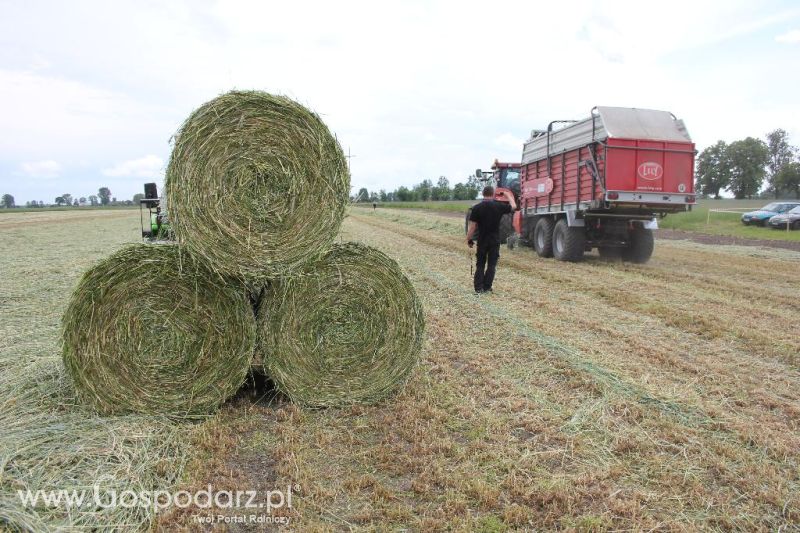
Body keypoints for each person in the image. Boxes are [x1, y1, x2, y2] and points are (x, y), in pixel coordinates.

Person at [465, 186, 517, 294]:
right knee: (492, 265)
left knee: (480, 264)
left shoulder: (476, 208)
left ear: (483, 194)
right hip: (495, 240)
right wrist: (508, 196)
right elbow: (514, 207)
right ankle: (487, 287)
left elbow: (473, 227)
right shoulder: (498, 206)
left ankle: (478, 288)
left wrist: (469, 239)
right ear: (493, 194)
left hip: (482, 240)